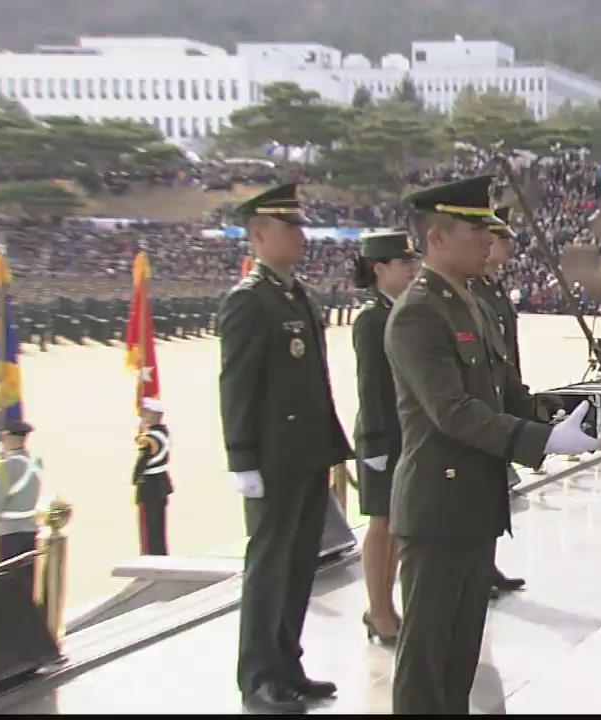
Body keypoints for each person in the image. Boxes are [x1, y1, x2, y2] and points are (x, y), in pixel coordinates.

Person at [386, 175, 599, 714]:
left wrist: (570, 414)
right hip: (438, 503)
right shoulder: (417, 312)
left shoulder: (472, 304)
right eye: (476, 229)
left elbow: (506, 395)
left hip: (476, 501)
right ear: (437, 238)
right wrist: (543, 440)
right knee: (427, 657)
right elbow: (452, 412)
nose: (489, 240)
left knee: (460, 656)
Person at [218, 183, 354, 714]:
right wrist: (242, 459)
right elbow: (237, 387)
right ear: (258, 235)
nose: (302, 236)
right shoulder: (249, 302)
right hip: (273, 459)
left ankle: (287, 664)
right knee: (270, 568)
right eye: (290, 227)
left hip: (308, 452)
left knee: (301, 566)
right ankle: (258, 675)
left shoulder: (297, 295)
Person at [352, 229, 420, 647]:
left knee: (397, 525)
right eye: (403, 263)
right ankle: (378, 609)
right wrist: (378, 443)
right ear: (379, 268)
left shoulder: (402, 310)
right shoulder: (372, 318)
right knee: (382, 525)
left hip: (405, 432)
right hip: (382, 434)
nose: (412, 269)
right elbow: (372, 387)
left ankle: (386, 606)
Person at [469, 206, 528, 598]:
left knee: (493, 491)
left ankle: (487, 565)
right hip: (482, 404)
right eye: (498, 237)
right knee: (480, 491)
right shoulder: (473, 290)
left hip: (500, 395)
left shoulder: (492, 288)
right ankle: (477, 568)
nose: (504, 245)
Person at [0, 420, 41, 564]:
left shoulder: (7, 465)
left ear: (11, 438)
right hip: (30, 529)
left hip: (9, 531)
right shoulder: (35, 462)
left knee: (7, 578)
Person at [132, 397, 173, 556]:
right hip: (158, 483)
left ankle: (154, 557)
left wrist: (142, 429)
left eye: (146, 413)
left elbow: (140, 442)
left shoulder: (153, 436)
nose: (143, 415)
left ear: (155, 415)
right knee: (156, 526)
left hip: (152, 484)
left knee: (152, 527)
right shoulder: (162, 432)